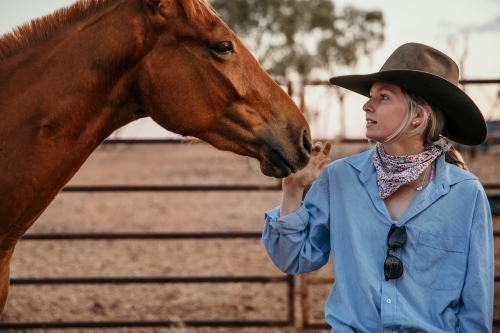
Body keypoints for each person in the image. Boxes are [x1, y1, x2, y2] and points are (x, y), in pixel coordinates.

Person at [262, 42, 494, 332]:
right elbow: (293, 258)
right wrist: (292, 191)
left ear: (418, 117)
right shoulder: (340, 178)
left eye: (383, 97)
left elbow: (476, 305)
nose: (366, 105)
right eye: (371, 95)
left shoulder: (465, 194)